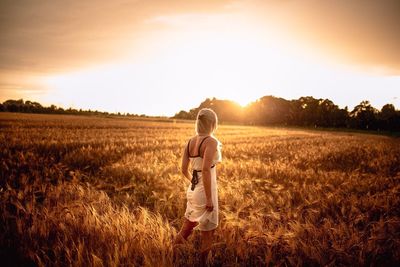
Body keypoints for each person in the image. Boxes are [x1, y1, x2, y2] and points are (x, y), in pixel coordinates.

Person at [173, 108, 222, 265]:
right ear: (213, 124)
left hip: (193, 189)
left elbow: (183, 169)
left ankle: (171, 257)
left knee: (186, 228)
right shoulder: (211, 141)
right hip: (205, 191)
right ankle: (202, 264)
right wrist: (208, 198)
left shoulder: (190, 142)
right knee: (208, 233)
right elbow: (206, 170)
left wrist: (193, 181)